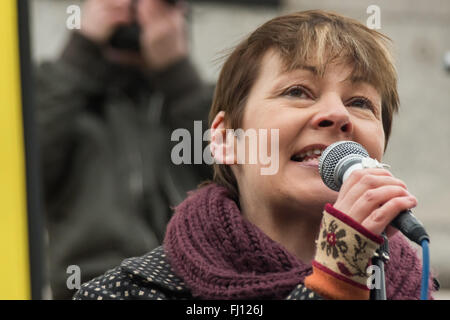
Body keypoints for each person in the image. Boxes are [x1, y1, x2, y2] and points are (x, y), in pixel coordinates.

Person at [73, 10, 438, 300]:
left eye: (359, 103)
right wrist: (336, 281)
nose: (337, 115)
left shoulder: (414, 288)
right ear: (226, 139)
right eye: (298, 91)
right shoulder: (129, 291)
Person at [36, 0, 213, 299]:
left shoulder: (190, 101)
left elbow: (238, 170)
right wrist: (83, 47)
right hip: (87, 287)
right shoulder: (63, 98)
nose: (136, 16)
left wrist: (176, 73)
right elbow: (24, 170)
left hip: (187, 289)